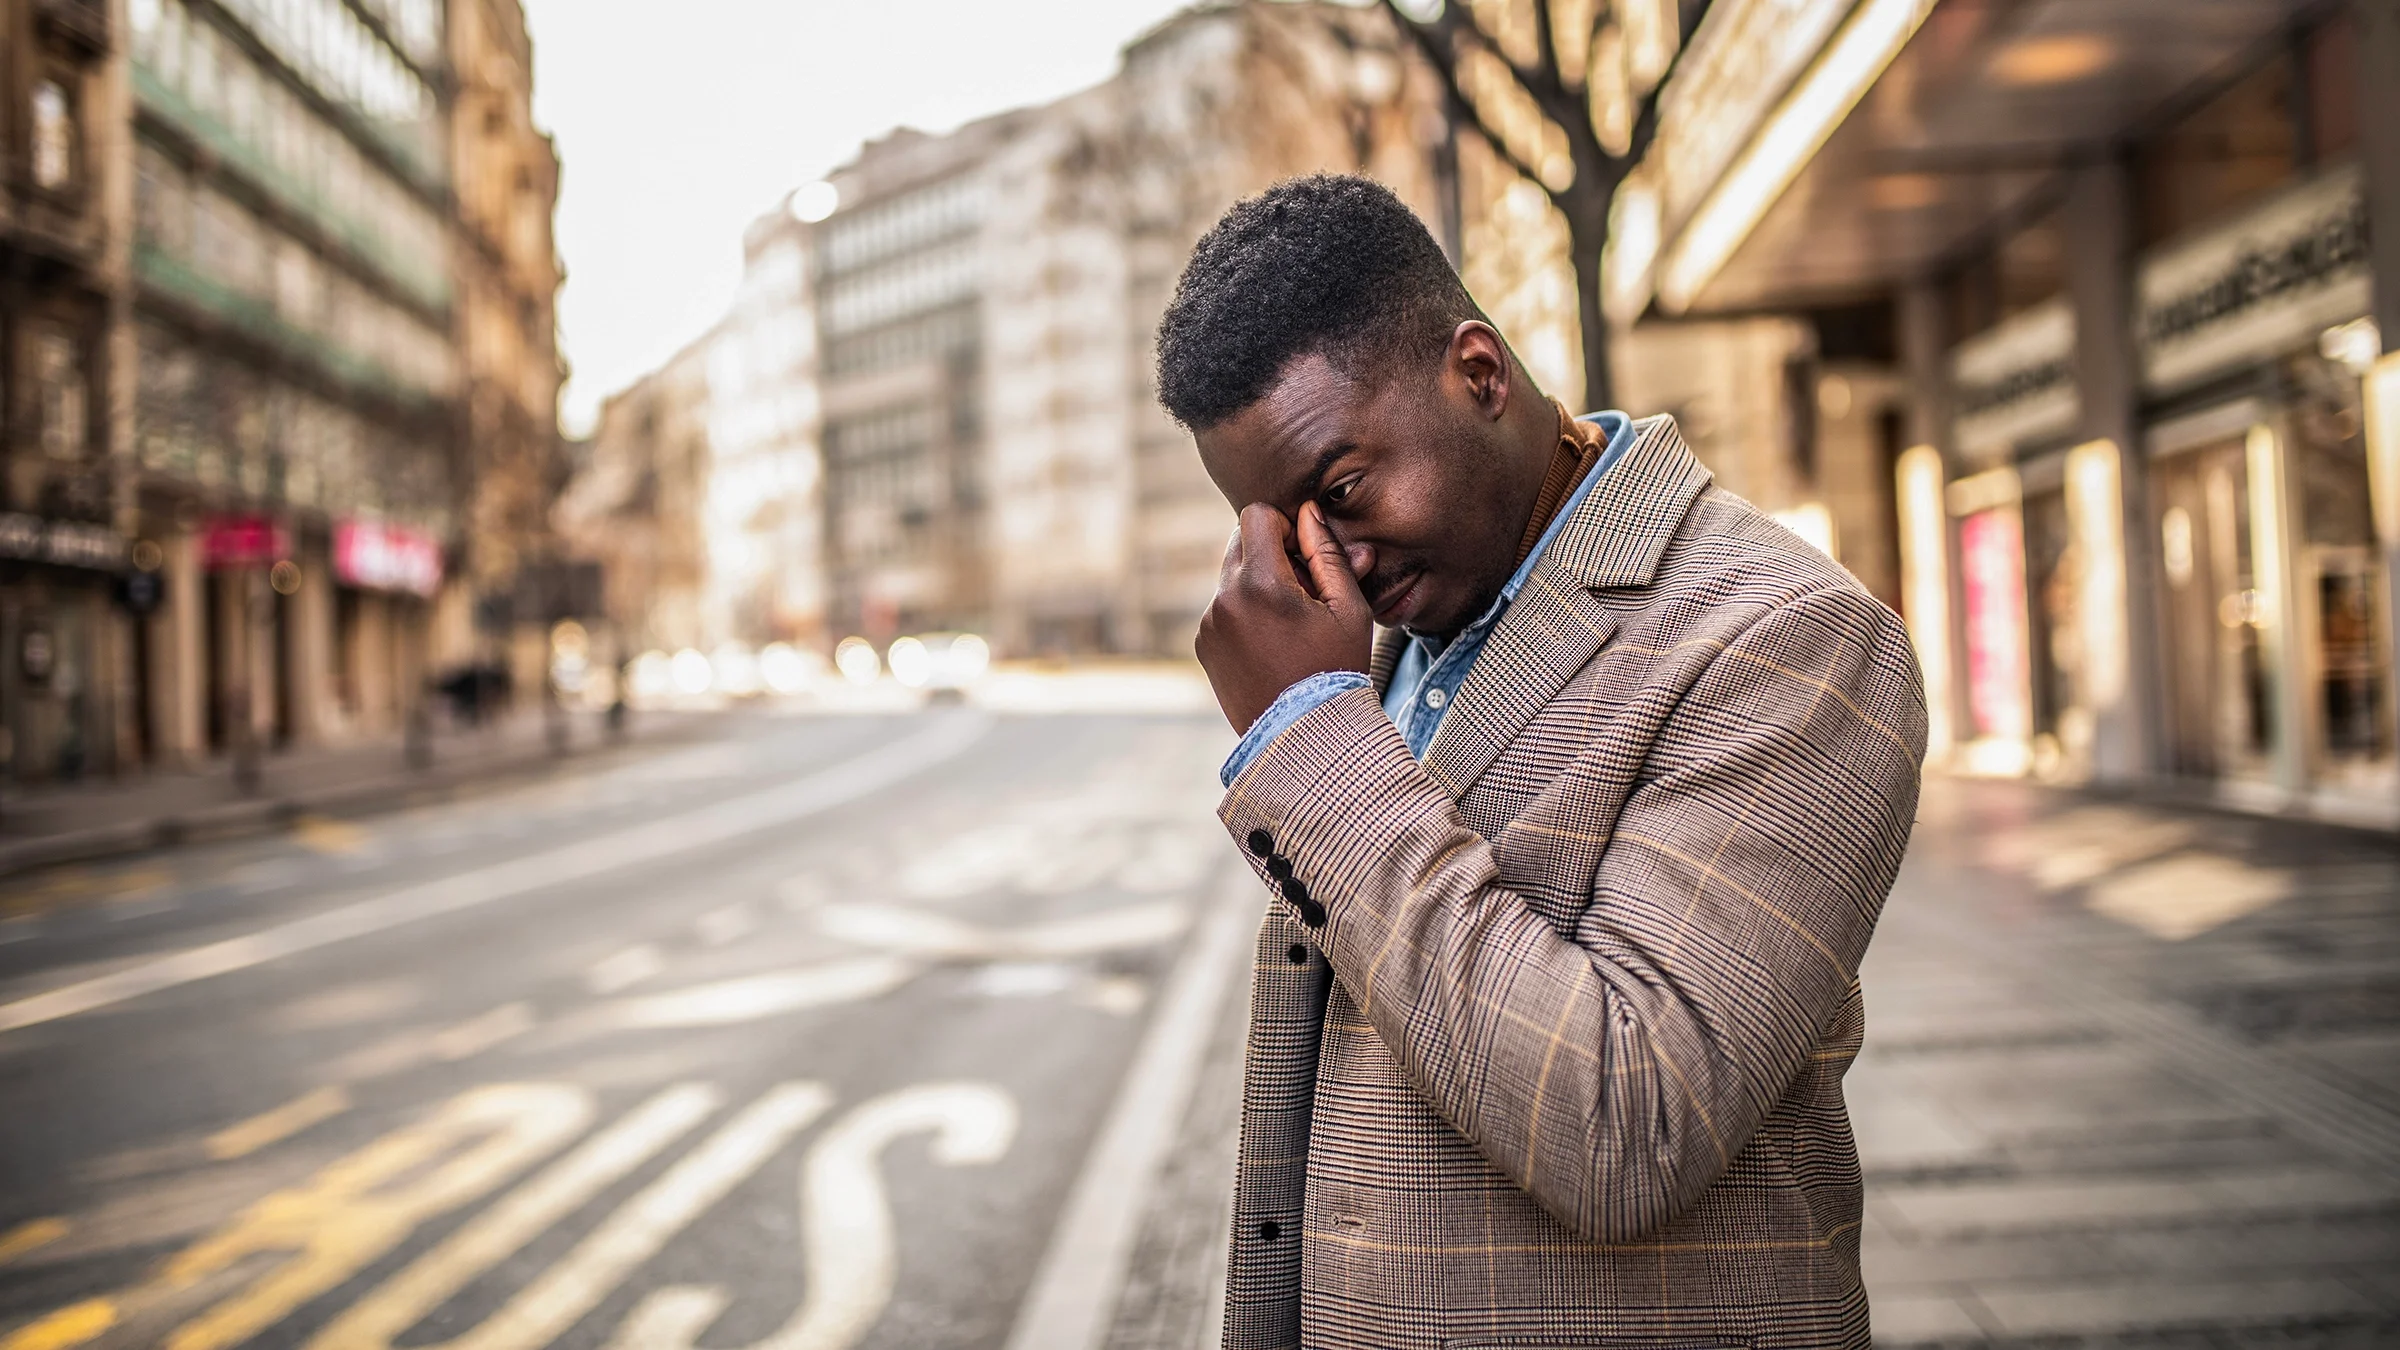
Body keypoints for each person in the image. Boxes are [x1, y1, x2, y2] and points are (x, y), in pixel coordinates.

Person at [1157, 174, 1926, 1350]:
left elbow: (1632, 1128)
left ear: (1480, 372)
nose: (1334, 568)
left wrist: (1312, 729)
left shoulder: (1785, 633)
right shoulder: (1408, 628)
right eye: (1283, 530)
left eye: (1343, 493)